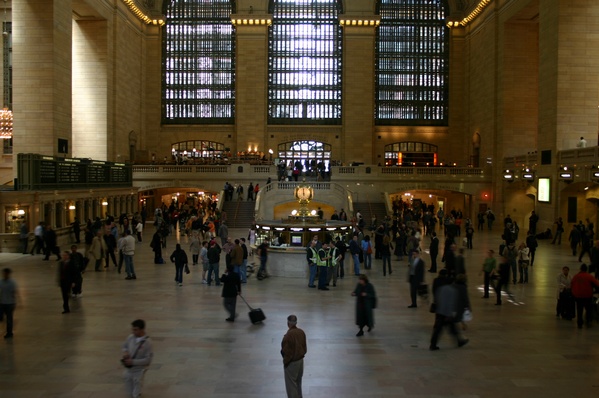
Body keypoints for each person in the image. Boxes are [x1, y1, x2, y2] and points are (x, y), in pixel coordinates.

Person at [429, 277, 469, 351]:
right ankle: (459, 341)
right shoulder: (453, 290)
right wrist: (451, 313)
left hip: (440, 312)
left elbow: (437, 299)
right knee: (447, 329)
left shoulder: (440, 289)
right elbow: (451, 303)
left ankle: (433, 344)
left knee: (442, 329)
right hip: (447, 313)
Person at [121, 319, 153, 398]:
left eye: (135, 330)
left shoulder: (148, 343)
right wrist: (125, 352)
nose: (133, 332)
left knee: (136, 393)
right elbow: (124, 346)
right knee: (129, 392)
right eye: (133, 329)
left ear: (142, 329)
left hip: (139, 371)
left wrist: (133, 362)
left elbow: (148, 360)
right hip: (129, 370)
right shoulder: (130, 337)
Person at [281, 314, 307, 398]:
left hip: (292, 363)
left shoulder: (288, 336)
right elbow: (305, 348)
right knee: (298, 384)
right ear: (296, 323)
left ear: (288, 323)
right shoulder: (301, 332)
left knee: (291, 387)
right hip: (300, 362)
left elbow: (287, 352)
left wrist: (286, 362)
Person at [570, 263, 599, 329]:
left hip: (578, 296)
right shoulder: (589, 276)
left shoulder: (576, 276)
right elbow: (597, 284)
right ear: (586, 269)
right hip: (587, 296)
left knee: (579, 310)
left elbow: (571, 284)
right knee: (588, 309)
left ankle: (579, 323)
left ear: (580, 269)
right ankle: (588, 321)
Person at [0, 268, 18, 338]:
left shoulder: (12, 282)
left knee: (9, 319)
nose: (4, 275)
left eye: (5, 273)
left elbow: (15, 292)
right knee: (1, 317)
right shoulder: (1, 282)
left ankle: (9, 333)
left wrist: (17, 301)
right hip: (2, 303)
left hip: (10, 303)